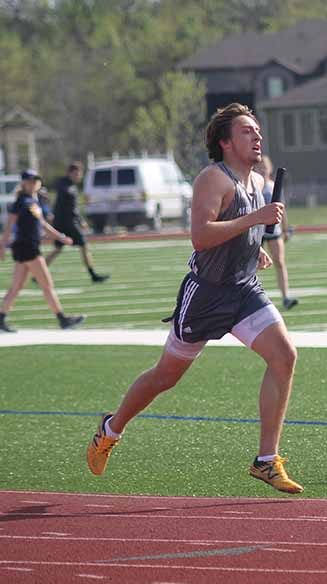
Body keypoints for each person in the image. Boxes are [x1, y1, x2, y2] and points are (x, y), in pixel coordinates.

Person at [86, 103, 303, 494]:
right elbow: (202, 237)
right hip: (206, 295)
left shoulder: (256, 182)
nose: (257, 137)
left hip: (244, 289)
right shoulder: (213, 179)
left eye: (257, 130)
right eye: (246, 131)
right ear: (224, 142)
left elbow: (235, 232)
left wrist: (253, 249)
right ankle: (111, 428)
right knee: (165, 377)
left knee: (284, 356)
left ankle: (266, 460)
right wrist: (255, 221)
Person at [0, 170, 86, 332]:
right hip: (27, 247)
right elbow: (9, 225)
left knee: (16, 287)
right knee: (47, 285)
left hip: (26, 247)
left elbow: (44, 226)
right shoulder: (21, 202)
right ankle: (62, 319)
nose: (35, 183)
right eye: (31, 181)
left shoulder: (34, 201)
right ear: (24, 183)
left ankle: (1, 318)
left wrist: (61, 237)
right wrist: (2, 245)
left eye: (36, 180)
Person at [43, 162, 109, 283]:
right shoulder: (67, 187)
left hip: (62, 222)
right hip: (68, 223)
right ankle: (93, 275)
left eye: (79, 174)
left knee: (57, 249)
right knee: (84, 246)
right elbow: (71, 208)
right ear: (69, 173)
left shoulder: (68, 185)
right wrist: (81, 220)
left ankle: (39, 273)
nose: (78, 176)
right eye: (76, 173)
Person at [256, 155, 298, 310]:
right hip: (257, 230)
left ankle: (286, 296)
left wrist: (286, 228)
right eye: (260, 167)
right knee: (252, 266)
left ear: (270, 169)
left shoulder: (273, 186)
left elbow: (281, 208)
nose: (263, 170)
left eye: (265, 167)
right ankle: (250, 297)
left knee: (279, 262)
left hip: (274, 230)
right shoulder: (253, 185)